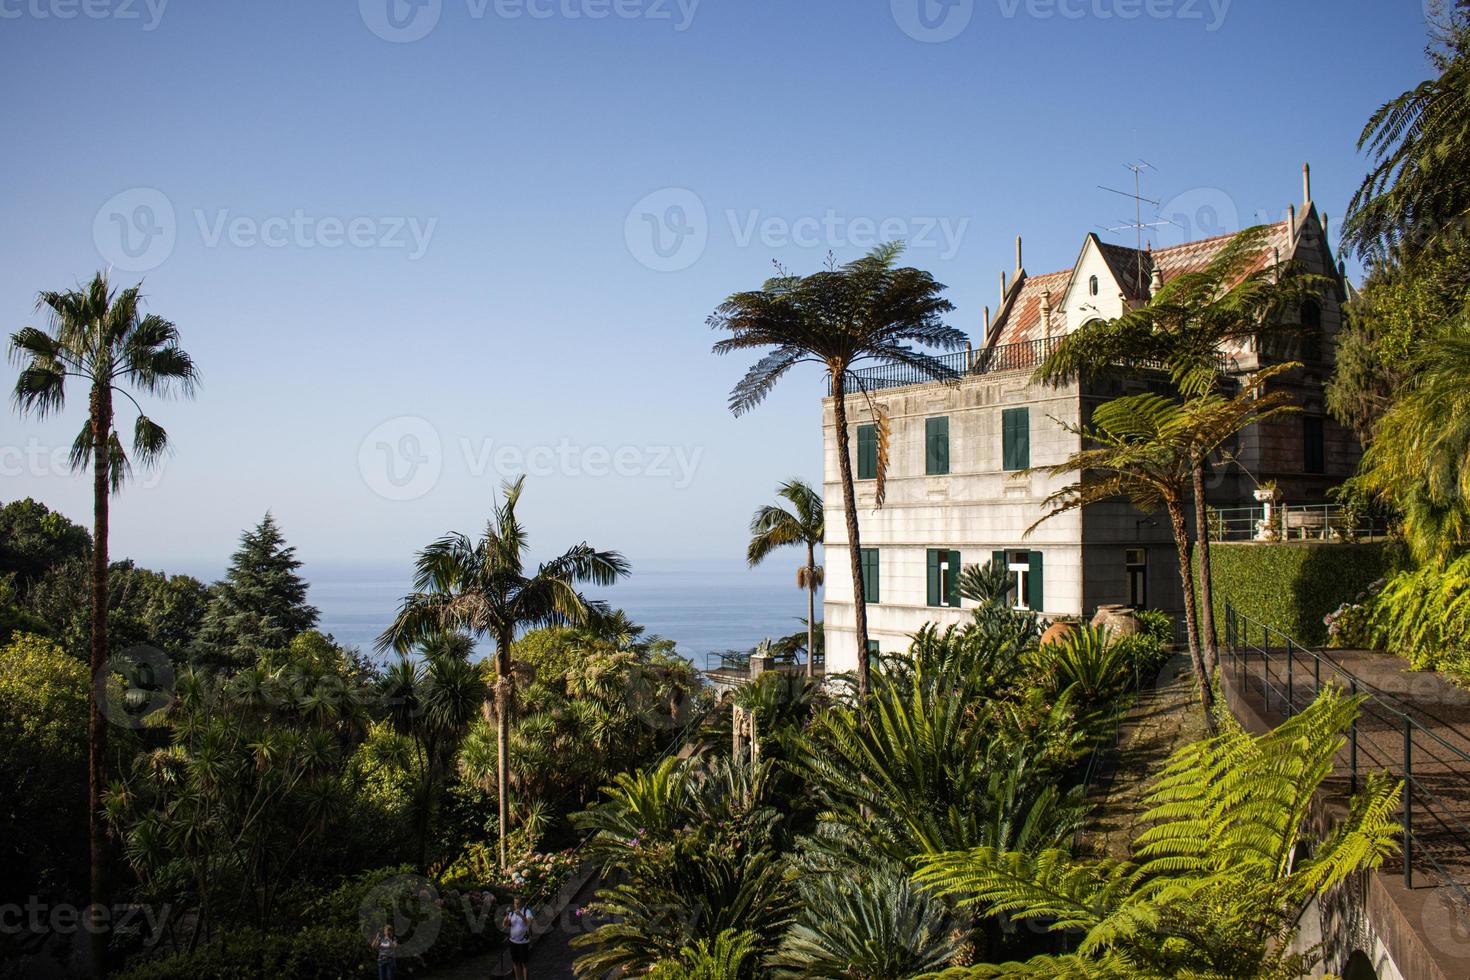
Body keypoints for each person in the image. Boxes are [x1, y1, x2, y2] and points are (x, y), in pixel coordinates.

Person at [503, 895, 534, 980]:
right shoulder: (512, 913)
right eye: (515, 903)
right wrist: (506, 915)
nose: (517, 905)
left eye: (518, 903)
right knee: (515, 962)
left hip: (523, 942)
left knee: (524, 963)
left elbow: (529, 923)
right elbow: (505, 925)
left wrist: (520, 915)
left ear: (522, 903)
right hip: (513, 941)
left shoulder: (527, 912)